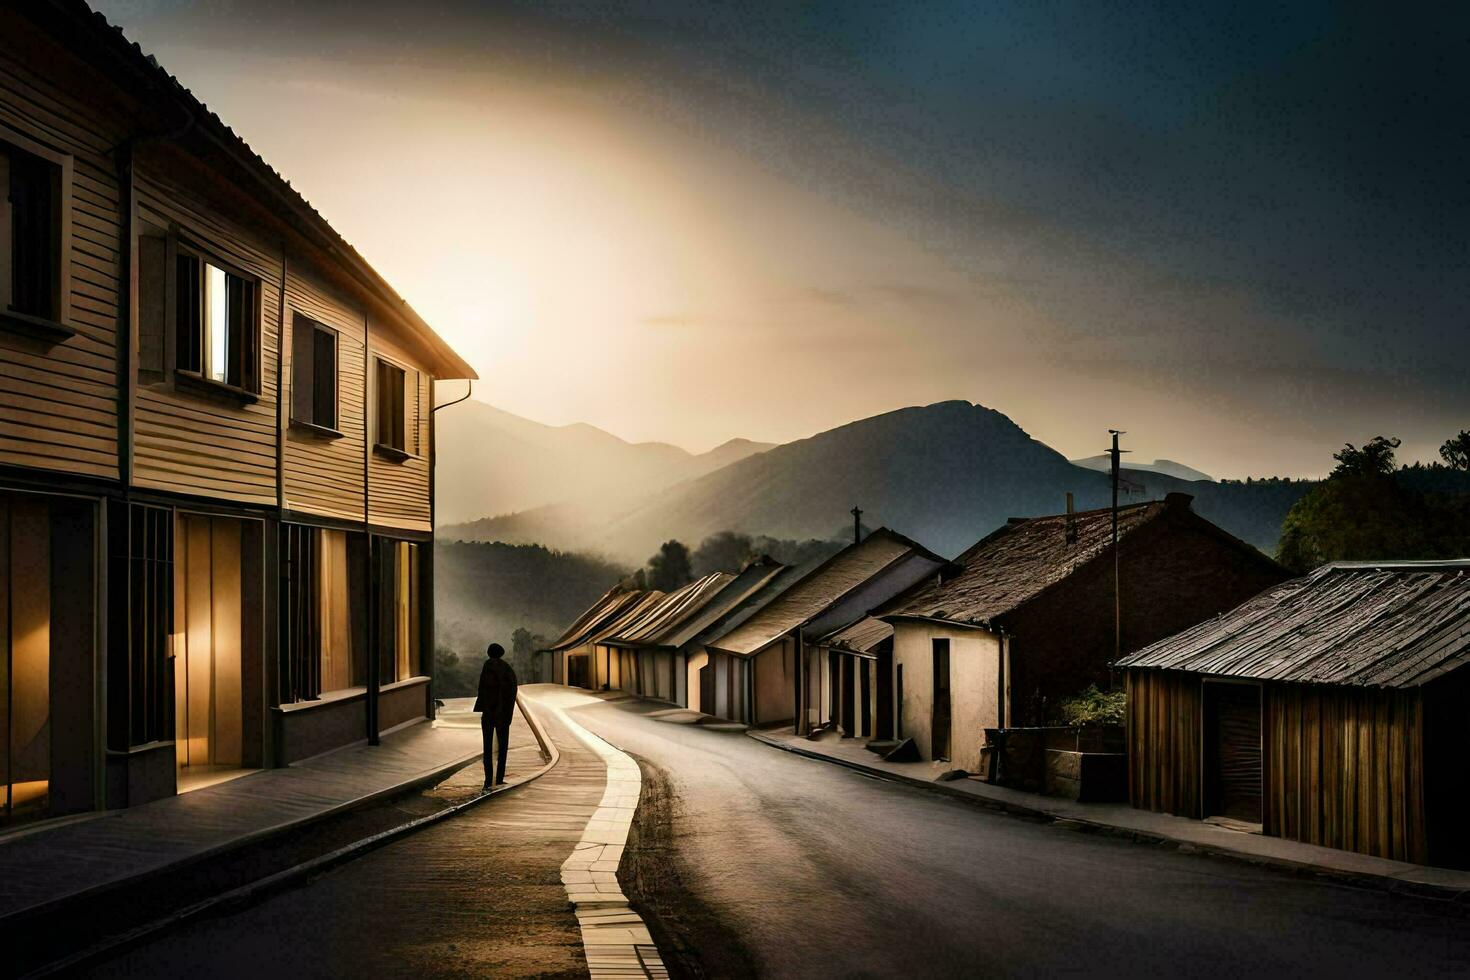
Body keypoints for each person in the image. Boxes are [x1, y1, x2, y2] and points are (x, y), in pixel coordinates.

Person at [474, 642, 518, 789]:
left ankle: (488, 780)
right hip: (502, 714)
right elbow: (512, 691)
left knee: (487, 747)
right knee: (502, 747)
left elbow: (481, 690)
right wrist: (507, 712)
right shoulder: (507, 669)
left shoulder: (486, 667)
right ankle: (499, 778)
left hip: (488, 713)